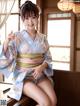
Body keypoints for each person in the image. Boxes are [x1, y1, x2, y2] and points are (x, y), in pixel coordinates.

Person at [0, 1, 57, 106]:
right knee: (45, 103)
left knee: (53, 102)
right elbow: (7, 56)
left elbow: (48, 58)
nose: (30, 21)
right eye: (26, 18)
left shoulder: (43, 38)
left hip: (40, 75)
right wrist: (7, 41)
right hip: (24, 78)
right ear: (22, 20)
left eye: (33, 17)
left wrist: (41, 67)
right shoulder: (17, 37)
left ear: (37, 18)